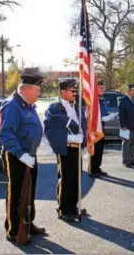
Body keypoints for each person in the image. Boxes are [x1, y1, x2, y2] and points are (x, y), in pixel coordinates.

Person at [0, 73, 46, 243]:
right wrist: (21, 154)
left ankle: (27, 223)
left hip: (30, 154)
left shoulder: (28, 105)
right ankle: (13, 229)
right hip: (16, 156)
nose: (39, 94)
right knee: (17, 192)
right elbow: (6, 134)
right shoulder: (12, 105)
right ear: (27, 89)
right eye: (37, 90)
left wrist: (29, 154)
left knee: (29, 191)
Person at [43, 78, 87, 222]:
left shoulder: (76, 106)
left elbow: (82, 123)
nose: (75, 93)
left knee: (76, 178)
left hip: (77, 148)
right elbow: (51, 127)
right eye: (72, 90)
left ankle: (73, 206)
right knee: (66, 178)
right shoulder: (55, 107)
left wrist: (83, 138)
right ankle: (63, 209)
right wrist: (71, 138)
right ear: (62, 92)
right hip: (66, 147)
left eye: (75, 90)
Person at [88, 81, 112, 178]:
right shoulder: (93, 100)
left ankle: (97, 168)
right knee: (94, 150)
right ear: (96, 89)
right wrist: (102, 118)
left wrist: (109, 116)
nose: (103, 89)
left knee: (100, 150)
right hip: (94, 129)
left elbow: (104, 113)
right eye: (101, 87)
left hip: (102, 128)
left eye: (103, 88)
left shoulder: (102, 99)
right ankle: (92, 170)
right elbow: (91, 114)